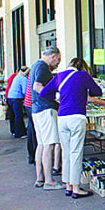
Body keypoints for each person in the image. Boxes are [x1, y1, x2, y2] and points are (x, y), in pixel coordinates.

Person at [40, 58, 105, 198]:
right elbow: (98, 92)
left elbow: (43, 93)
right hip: (77, 117)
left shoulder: (59, 76)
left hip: (62, 117)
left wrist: (59, 97)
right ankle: (76, 188)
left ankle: (68, 186)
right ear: (83, 67)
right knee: (76, 152)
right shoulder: (83, 75)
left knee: (66, 153)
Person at [30, 46, 64, 190]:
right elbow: (36, 86)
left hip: (37, 109)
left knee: (42, 144)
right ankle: (49, 181)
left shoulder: (35, 66)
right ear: (53, 56)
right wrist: (55, 97)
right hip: (46, 109)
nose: (58, 64)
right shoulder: (43, 67)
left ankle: (40, 177)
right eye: (58, 60)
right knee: (49, 144)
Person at [6, 66, 28, 139]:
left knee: (13, 115)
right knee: (19, 115)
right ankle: (19, 133)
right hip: (17, 98)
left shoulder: (17, 77)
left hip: (10, 97)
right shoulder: (23, 79)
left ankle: (14, 130)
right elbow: (25, 91)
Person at [24, 69, 37, 164]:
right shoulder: (42, 70)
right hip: (33, 105)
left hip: (28, 104)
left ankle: (32, 156)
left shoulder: (34, 70)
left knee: (31, 131)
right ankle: (36, 156)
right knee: (36, 133)